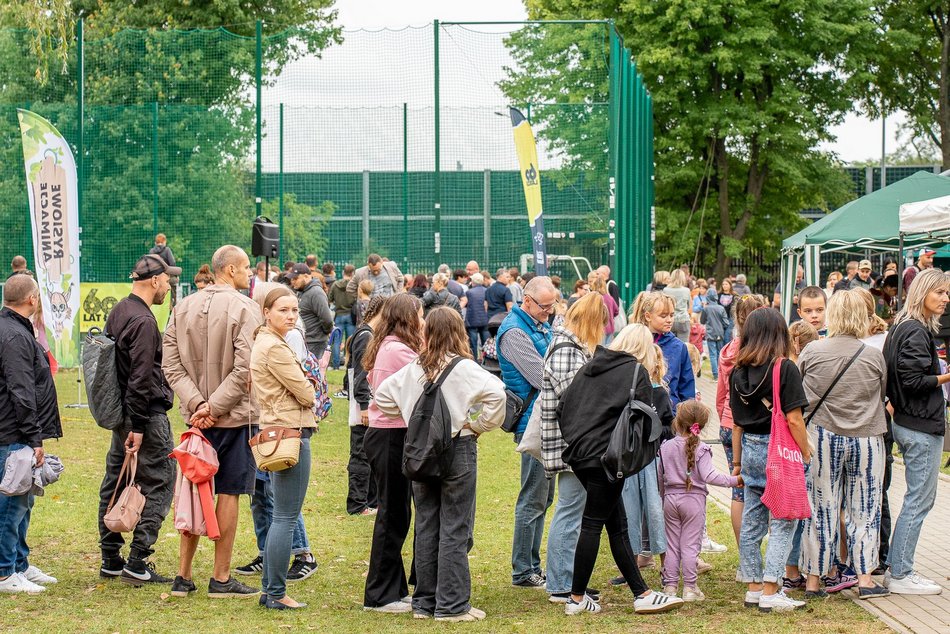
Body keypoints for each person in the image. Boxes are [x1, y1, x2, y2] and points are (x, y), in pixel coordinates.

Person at [375, 307, 506, 621]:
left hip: (421, 452)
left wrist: (409, 417)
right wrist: (479, 425)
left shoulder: (413, 368)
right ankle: (452, 604)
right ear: (459, 332)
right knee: (455, 527)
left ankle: (425, 601)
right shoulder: (465, 369)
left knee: (427, 524)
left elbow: (381, 396)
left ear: (427, 332)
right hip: (457, 446)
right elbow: (498, 396)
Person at [555, 323, 684, 615]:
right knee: (593, 524)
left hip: (581, 455)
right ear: (644, 348)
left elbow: (563, 407)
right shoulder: (635, 372)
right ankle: (576, 598)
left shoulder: (589, 368)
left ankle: (642, 592)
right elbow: (645, 417)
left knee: (617, 524)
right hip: (608, 458)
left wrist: (577, 437)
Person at [162, 245, 262, 599]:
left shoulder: (182, 307)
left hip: (197, 419)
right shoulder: (245, 308)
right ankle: (221, 577)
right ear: (231, 270)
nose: (251, 273)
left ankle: (183, 575)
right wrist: (213, 407)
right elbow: (245, 368)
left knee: (192, 488)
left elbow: (170, 364)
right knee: (230, 492)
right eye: (247, 267)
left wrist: (198, 405)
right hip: (232, 418)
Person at [798, 290, 889, 600]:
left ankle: (813, 579)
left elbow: (799, 397)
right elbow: (881, 394)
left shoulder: (811, 351)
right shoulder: (873, 356)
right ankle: (864, 578)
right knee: (864, 508)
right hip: (866, 437)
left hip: (822, 436)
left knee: (820, 507)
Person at [98, 254, 181, 586]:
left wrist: (127, 422)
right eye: (168, 280)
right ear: (155, 280)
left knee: (115, 482)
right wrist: (138, 426)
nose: (170, 286)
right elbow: (140, 379)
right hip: (144, 417)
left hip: (122, 415)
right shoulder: (144, 321)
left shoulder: (120, 310)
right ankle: (137, 560)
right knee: (160, 480)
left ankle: (111, 558)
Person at [730, 308, 810, 612]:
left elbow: (736, 423)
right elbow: (794, 419)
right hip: (778, 451)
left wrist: (737, 463)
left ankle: (752, 586)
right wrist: (805, 450)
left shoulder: (736, 372)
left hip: (749, 448)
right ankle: (771, 588)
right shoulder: (784, 368)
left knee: (752, 520)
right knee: (785, 520)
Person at [237, 282, 318, 584]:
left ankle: (271, 588)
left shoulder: (268, 341)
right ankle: (275, 590)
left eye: (295, 310)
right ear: (266, 313)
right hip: (288, 431)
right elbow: (307, 393)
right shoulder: (274, 346)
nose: (291, 316)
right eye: (283, 310)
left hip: (278, 427)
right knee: (284, 517)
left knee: (280, 514)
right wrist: (308, 387)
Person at [882, 267, 950, 595]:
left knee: (918, 499)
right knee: (919, 500)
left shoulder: (904, 328)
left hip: (912, 421)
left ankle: (899, 567)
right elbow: (912, 382)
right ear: (922, 292)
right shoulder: (914, 331)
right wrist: (946, 377)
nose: (946, 298)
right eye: (940, 292)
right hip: (918, 424)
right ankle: (900, 572)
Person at [539, 292, 608, 604]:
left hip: (572, 443)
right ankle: (560, 583)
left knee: (573, 512)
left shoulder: (568, 346)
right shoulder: (568, 351)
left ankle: (566, 579)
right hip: (571, 446)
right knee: (569, 512)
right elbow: (577, 402)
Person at [362, 294, 424, 613]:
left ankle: (394, 587)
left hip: (392, 433)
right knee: (392, 514)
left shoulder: (389, 344)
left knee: (398, 512)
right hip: (390, 435)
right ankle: (380, 594)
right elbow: (429, 373)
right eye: (420, 315)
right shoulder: (397, 350)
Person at [0, 274, 61, 594]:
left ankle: (20, 563)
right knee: (12, 503)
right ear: (32, 300)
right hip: (13, 433)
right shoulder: (14, 336)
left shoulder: (15, 329)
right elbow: (21, 390)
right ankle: (4, 571)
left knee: (23, 502)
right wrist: (34, 437)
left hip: (14, 431)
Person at [497, 276, 558, 589]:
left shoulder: (536, 325)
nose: (549, 312)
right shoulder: (515, 332)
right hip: (532, 424)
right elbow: (543, 376)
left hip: (543, 420)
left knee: (544, 497)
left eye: (551, 307)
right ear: (528, 301)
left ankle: (531, 565)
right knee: (533, 498)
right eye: (544, 307)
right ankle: (523, 570)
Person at [658, 401, 741, 602]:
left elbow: (660, 476)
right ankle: (689, 587)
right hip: (693, 500)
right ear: (700, 426)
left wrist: (663, 497)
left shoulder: (665, 446)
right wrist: (734, 480)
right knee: (690, 546)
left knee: (672, 545)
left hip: (670, 499)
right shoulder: (702, 448)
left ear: (677, 422)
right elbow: (709, 476)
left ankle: (669, 586)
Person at [714, 294, 767, 545]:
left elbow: (721, 393)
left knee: (738, 491)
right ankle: (753, 549)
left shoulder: (728, 349)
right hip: (750, 424)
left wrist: (722, 416)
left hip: (727, 421)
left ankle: (742, 551)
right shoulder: (758, 350)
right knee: (757, 490)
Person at [345, 296, 385, 516]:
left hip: (365, 402)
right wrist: (364, 406)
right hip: (363, 404)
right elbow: (361, 374)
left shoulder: (368, 334)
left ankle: (370, 500)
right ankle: (357, 503)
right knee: (360, 453)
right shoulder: (366, 336)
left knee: (369, 454)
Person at [289, 263, 334, 359]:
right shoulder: (303, 292)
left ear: (306, 276)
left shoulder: (316, 293)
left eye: (296, 278)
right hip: (307, 341)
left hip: (315, 343)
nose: (292, 281)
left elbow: (327, 320)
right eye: (292, 279)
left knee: (314, 373)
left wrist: (320, 335)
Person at [329, 264, 356, 370]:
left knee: (337, 340)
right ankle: (348, 364)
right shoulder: (354, 285)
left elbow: (330, 298)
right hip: (350, 314)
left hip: (339, 314)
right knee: (350, 340)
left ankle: (335, 365)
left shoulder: (335, 284)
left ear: (343, 272)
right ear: (353, 273)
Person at [462, 273, 489, 359]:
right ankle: (486, 360)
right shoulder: (487, 291)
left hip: (472, 320)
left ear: (473, 281)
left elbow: (465, 304)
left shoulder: (469, 292)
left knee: (473, 344)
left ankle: (474, 361)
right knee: (485, 343)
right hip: (485, 320)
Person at [701, 298, 729, 380]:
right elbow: (726, 323)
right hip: (720, 333)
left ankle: (716, 375)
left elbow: (702, 321)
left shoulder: (706, 308)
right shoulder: (721, 308)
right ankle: (721, 374)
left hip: (710, 333)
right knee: (719, 353)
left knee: (712, 355)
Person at [663, 269, 692, 344]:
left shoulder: (666, 290)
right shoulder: (686, 290)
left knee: (668, 344)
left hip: (669, 320)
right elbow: (689, 306)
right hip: (683, 319)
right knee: (684, 345)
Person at [149, 233, 178, 306]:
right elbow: (172, 263)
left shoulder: (151, 251)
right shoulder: (167, 250)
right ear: (164, 241)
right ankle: (172, 307)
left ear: (155, 242)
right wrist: (175, 275)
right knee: (173, 287)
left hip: (155, 278)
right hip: (167, 277)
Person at [589, 272, 619, 343]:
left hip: (598, 328)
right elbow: (616, 310)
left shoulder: (593, 298)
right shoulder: (609, 298)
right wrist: (610, 316)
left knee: (599, 348)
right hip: (610, 327)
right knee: (607, 348)